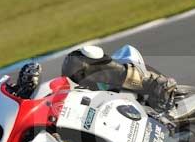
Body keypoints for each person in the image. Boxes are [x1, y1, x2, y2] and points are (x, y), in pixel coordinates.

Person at [13, 45, 177, 111]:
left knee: (76, 61)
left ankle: (155, 83)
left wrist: (26, 89)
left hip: (96, 97)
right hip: (82, 122)